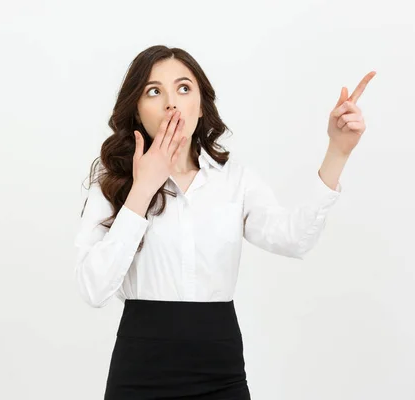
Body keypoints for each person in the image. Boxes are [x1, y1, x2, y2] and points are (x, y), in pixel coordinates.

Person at [74, 45, 375, 399]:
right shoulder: (112, 184)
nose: (171, 102)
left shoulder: (236, 181)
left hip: (220, 372)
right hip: (140, 372)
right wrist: (142, 190)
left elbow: (295, 239)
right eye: (154, 91)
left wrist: (337, 151)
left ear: (200, 107)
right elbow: (93, 289)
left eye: (184, 88)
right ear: (137, 111)